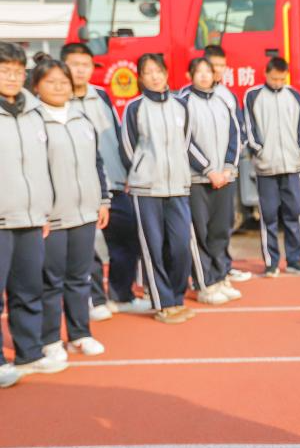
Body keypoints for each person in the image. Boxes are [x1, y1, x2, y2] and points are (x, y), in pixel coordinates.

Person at [62, 42, 149, 319]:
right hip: (79, 187)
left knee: (126, 238)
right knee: (89, 246)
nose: (81, 70)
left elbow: (116, 136)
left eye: (86, 65)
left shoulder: (100, 95)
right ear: (63, 66)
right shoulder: (57, 100)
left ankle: (120, 295)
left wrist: (126, 172)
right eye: (75, 64)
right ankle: (94, 300)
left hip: (113, 181)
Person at [32, 54, 110, 360]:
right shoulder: (34, 120)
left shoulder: (81, 117)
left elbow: (97, 161)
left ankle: (80, 334)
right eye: (50, 82)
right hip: (53, 216)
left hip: (85, 212)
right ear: (36, 86)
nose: (58, 87)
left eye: (63, 82)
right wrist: (40, 211)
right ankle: (50, 339)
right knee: (51, 281)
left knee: (81, 278)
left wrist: (103, 200)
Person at [0, 42, 66, 388]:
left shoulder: (33, 112)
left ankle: (29, 352)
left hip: (30, 218)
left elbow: (42, 166)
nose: (11, 77)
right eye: (4, 70)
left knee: (28, 289)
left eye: (16, 71)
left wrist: (43, 210)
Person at [121, 53, 198, 324]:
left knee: (180, 246)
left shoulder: (181, 106)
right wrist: (142, 172)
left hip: (178, 186)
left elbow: (185, 143)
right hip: (147, 189)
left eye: (158, 71)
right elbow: (129, 148)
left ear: (166, 73)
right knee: (153, 247)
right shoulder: (134, 108)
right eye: (148, 72)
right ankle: (163, 302)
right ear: (141, 78)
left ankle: (176, 296)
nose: (154, 76)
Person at [180, 57, 242, 304]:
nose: (205, 75)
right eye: (199, 71)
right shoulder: (183, 101)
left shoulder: (222, 100)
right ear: (190, 75)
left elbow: (235, 134)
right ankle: (205, 284)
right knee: (201, 233)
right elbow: (185, 141)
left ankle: (219, 276)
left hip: (223, 178)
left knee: (220, 230)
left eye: (208, 71)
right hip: (198, 179)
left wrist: (227, 168)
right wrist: (208, 170)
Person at [244, 57, 300, 277]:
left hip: (292, 166)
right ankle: (271, 262)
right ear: (266, 73)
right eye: (274, 78)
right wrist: (259, 150)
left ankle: (295, 260)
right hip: (266, 168)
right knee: (269, 216)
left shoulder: (294, 96)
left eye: (282, 79)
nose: (278, 82)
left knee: (293, 214)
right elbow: (249, 127)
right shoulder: (253, 96)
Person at [204, 44, 251, 283]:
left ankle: (224, 267)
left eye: (222, 66)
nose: (218, 71)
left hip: (227, 172)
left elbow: (238, 130)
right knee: (206, 227)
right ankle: (209, 273)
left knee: (224, 223)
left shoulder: (227, 95)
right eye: (214, 66)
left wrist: (228, 166)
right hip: (204, 175)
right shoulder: (188, 97)